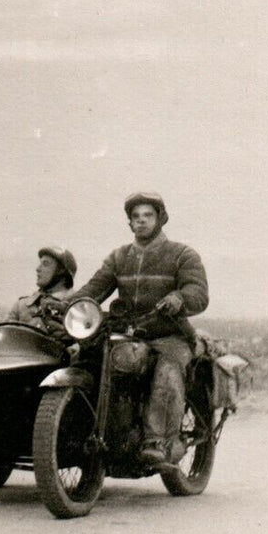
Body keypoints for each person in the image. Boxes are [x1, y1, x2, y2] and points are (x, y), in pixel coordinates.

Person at [72, 192, 209, 469]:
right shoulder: (119, 257)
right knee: (90, 359)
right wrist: (65, 304)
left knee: (168, 368)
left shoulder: (182, 255)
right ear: (129, 223)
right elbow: (93, 290)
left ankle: (158, 442)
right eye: (135, 217)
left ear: (161, 218)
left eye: (147, 215)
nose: (141, 221)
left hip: (169, 334)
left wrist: (179, 298)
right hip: (128, 333)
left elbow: (198, 293)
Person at [7, 246, 77, 337]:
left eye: (45, 264)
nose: (38, 269)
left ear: (61, 271)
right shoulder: (21, 306)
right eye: (40, 263)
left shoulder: (77, 307)